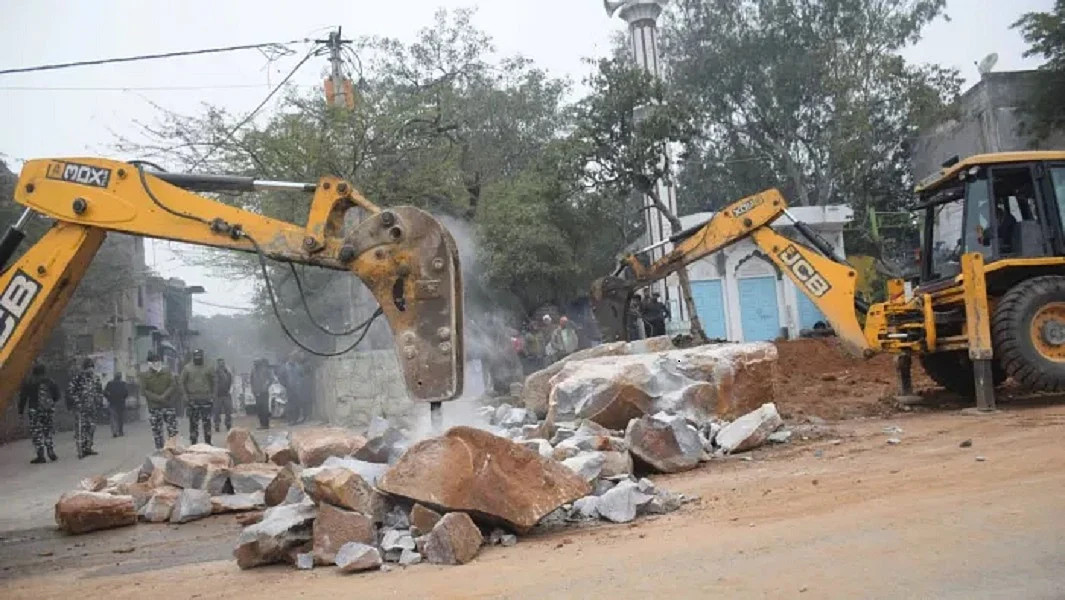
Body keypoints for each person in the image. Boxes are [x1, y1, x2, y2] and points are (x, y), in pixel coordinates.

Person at [18, 364, 60, 464]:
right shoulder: (50, 381)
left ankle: (40, 455)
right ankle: (51, 452)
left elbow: (23, 397)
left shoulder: (29, 382)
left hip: (34, 410)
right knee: (48, 431)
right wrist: (51, 402)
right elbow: (57, 396)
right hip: (48, 410)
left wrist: (20, 411)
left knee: (36, 432)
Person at [140, 352, 178, 450]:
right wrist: (157, 398)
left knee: (172, 429)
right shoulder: (145, 375)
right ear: (149, 363)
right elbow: (144, 391)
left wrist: (164, 395)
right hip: (154, 407)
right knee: (157, 431)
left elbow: (173, 385)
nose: (156, 363)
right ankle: (160, 450)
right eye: (153, 361)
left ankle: (173, 448)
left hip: (168, 405)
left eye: (158, 361)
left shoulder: (167, 372)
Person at [67, 358, 101, 459]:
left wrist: (99, 401)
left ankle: (88, 448)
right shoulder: (78, 378)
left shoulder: (96, 378)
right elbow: (70, 390)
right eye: (89, 367)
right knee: (81, 429)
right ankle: (81, 451)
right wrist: (77, 402)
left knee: (91, 428)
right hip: (81, 409)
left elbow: (99, 391)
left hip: (92, 408)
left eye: (92, 367)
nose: (90, 369)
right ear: (84, 368)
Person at [180, 349, 215, 445]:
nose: (198, 359)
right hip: (192, 399)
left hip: (206, 399)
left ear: (202, 357)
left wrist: (213, 395)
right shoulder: (187, 368)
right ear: (193, 357)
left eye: (199, 357)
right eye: (196, 357)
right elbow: (181, 382)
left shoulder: (209, 367)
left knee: (207, 422)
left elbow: (214, 381)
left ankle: (208, 442)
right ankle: (194, 443)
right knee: (193, 422)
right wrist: (185, 395)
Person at [281, 353, 307, 426]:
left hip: (298, 388)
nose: (292, 360)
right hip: (289, 388)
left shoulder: (298, 366)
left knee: (297, 404)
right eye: (291, 358)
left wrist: (300, 383)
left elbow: (302, 375)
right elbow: (281, 377)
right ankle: (291, 419)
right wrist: (285, 385)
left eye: (293, 358)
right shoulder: (285, 367)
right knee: (290, 404)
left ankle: (295, 419)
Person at [104, 372, 129, 437]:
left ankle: (114, 431)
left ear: (114, 377)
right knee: (120, 418)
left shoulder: (110, 383)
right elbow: (126, 393)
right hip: (121, 403)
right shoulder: (123, 384)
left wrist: (108, 398)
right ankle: (120, 431)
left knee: (113, 417)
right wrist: (123, 398)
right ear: (120, 377)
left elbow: (105, 392)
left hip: (112, 402)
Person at [212, 358, 234, 433]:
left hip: (226, 394)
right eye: (219, 363)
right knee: (217, 411)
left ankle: (228, 423)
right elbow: (212, 383)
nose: (221, 364)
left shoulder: (227, 373)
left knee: (228, 410)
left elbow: (230, 382)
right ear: (218, 364)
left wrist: (228, 390)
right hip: (217, 395)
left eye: (222, 363)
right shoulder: (215, 373)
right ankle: (217, 424)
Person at [250, 358, 272, 430]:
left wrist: (266, 385)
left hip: (264, 392)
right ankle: (262, 424)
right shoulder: (253, 371)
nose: (255, 364)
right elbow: (251, 381)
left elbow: (271, 379)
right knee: (259, 409)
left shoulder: (265, 370)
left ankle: (266, 424)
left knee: (265, 409)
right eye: (254, 363)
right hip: (257, 392)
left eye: (257, 363)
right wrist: (253, 390)